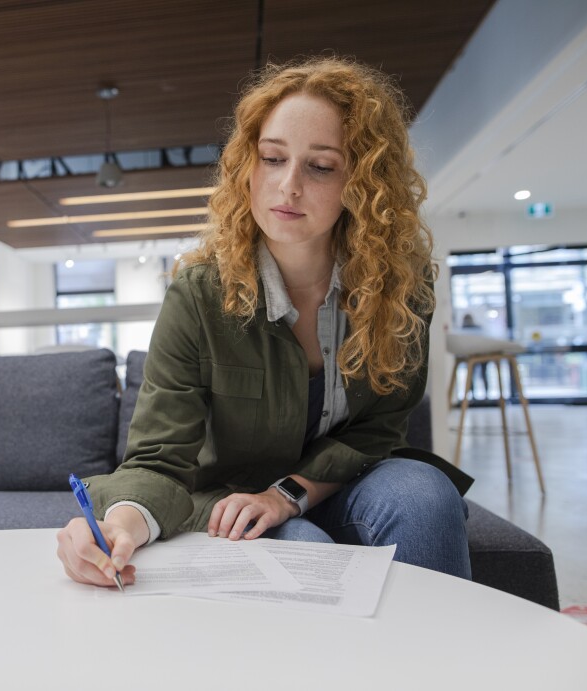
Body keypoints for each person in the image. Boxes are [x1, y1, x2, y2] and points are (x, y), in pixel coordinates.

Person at [57, 56, 472, 589]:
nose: (287, 186)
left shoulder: (403, 290)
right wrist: (117, 526)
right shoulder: (198, 296)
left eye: (320, 167)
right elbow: (159, 460)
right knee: (302, 549)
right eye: (272, 158)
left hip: (345, 485)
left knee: (425, 494)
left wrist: (288, 494)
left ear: (363, 182)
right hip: (234, 503)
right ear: (247, 168)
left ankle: (439, 646)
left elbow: (380, 429)